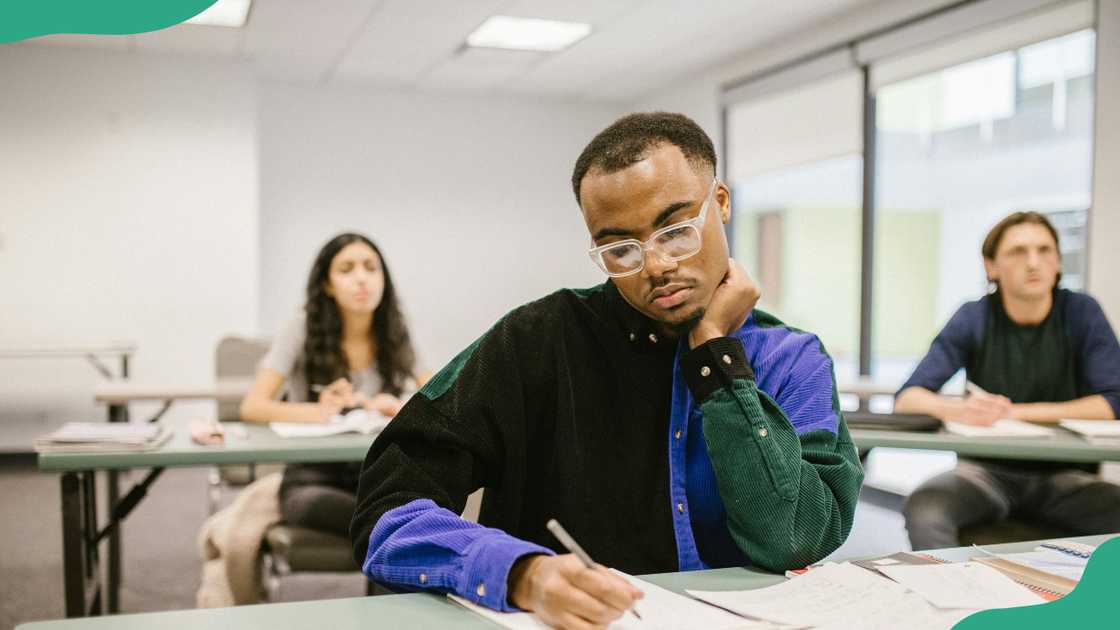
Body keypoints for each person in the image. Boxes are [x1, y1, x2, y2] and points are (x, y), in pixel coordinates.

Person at [350, 112, 863, 628]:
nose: (657, 266)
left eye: (676, 231)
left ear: (722, 203)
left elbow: (796, 538)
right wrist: (520, 573)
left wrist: (715, 356)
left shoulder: (792, 359)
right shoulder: (535, 341)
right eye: (621, 250)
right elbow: (387, 509)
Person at [895, 211, 1120, 550]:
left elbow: (1113, 402)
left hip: (1068, 478)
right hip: (985, 475)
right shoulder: (974, 316)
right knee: (925, 509)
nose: (1033, 262)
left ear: (1058, 262)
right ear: (991, 267)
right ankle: (946, 585)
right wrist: (960, 410)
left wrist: (1014, 412)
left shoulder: (1081, 312)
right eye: (1018, 251)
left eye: (1044, 250)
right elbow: (908, 398)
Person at [240, 232, 425, 537]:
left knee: (404, 513)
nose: (361, 279)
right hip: (313, 479)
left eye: (371, 268)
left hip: (380, 474)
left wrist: (400, 407)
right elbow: (253, 406)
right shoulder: (301, 327)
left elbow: (438, 400)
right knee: (386, 521)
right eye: (346, 269)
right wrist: (317, 411)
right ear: (327, 284)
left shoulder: (396, 329)